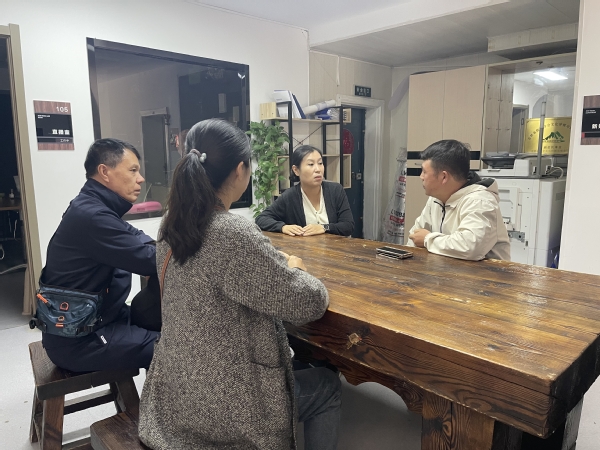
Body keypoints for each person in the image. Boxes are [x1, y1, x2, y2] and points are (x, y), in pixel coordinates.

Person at [138, 119, 341, 450]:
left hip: (177, 387)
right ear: (240, 170)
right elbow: (309, 302)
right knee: (328, 385)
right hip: (227, 408)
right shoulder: (232, 232)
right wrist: (295, 268)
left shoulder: (170, 224)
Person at [39, 138, 160, 372]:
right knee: (175, 349)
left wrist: (157, 247)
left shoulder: (92, 207)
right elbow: (149, 260)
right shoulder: (92, 216)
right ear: (105, 172)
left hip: (101, 319)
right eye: (133, 170)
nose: (140, 178)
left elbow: (136, 235)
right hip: (80, 341)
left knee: (156, 321)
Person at [407, 139, 510, 261]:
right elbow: (415, 235)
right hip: (446, 269)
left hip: (484, 272)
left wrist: (427, 239)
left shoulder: (480, 201)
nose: (421, 177)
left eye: (424, 171)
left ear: (443, 177)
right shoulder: (436, 199)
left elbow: (469, 247)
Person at [255, 145, 354, 237]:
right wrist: (283, 227)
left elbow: (348, 225)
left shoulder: (335, 190)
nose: (318, 169)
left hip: (335, 248)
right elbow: (261, 219)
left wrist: (324, 227)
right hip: (304, 249)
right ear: (296, 170)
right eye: (311, 164)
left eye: (320, 163)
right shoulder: (290, 196)